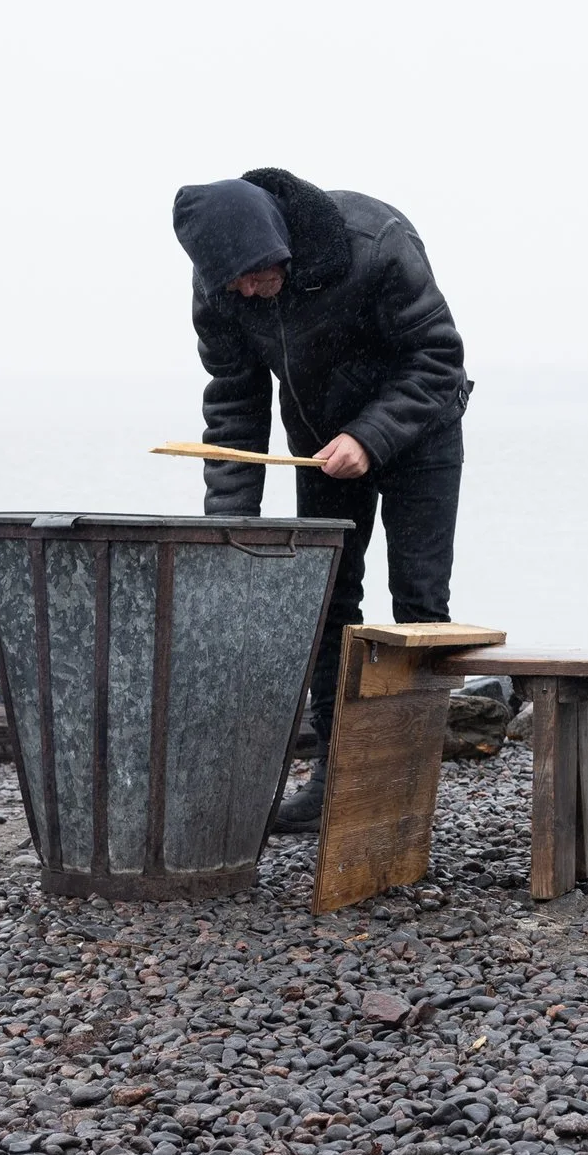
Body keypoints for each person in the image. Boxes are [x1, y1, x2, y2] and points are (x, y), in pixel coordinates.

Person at [171, 167, 471, 833]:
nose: (247, 291)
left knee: (419, 604)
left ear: (277, 240)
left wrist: (369, 436)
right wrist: (229, 529)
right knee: (330, 603)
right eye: (233, 283)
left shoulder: (374, 241)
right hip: (319, 444)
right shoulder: (222, 285)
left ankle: (405, 785)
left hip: (419, 429)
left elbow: (438, 358)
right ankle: (334, 780)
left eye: (256, 275)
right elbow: (234, 406)